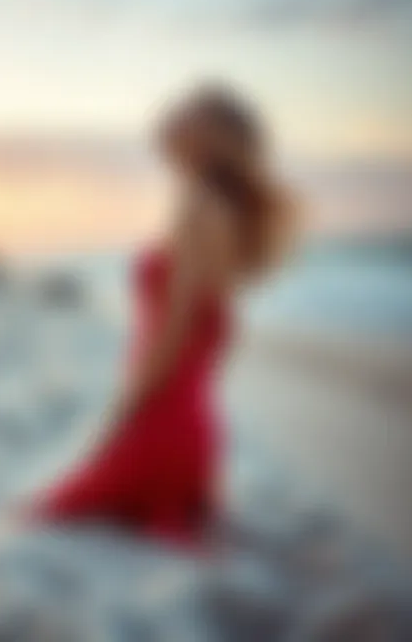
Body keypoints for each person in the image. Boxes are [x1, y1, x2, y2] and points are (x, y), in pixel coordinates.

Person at [25, 83, 292, 550]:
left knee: (41, 513)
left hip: (163, 428)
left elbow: (177, 327)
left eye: (186, 112)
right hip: (195, 433)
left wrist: (125, 407)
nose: (169, 115)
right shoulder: (218, 206)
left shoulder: (198, 206)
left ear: (206, 137)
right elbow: (221, 329)